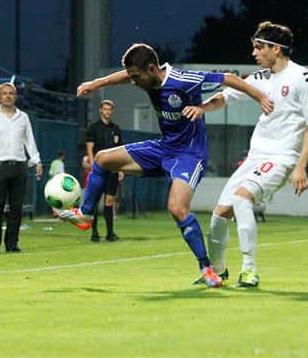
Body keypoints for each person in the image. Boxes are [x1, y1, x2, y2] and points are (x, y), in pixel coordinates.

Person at [56, 43, 273, 288]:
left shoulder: (183, 80)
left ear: (151, 68)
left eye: (137, 77)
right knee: (102, 159)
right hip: (165, 148)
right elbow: (126, 75)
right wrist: (95, 84)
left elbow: (228, 78)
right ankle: (85, 215)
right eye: (132, 77)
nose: (134, 82)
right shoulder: (146, 77)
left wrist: (261, 96)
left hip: (190, 154)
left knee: (177, 208)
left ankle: (207, 269)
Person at [185, 21, 308, 287]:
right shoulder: (259, 79)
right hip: (256, 158)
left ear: (276, 48)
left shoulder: (301, 77)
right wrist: (201, 108)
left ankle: (249, 270)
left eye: (259, 47)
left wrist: (301, 165)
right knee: (219, 213)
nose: (254, 53)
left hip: (282, 157)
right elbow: (225, 97)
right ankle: (218, 270)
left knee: (241, 199)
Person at [0, 82, 43, 254]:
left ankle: (12, 244)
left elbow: (30, 141)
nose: (8, 96)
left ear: (15, 96)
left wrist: (37, 162)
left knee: (16, 208)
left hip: (19, 168)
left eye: (11, 93)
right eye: (4, 93)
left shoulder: (24, 117)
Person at [85, 100, 123, 242]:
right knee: (95, 202)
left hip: (112, 170)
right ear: (100, 110)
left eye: (109, 109)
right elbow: (89, 148)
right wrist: (93, 165)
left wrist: (120, 168)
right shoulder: (94, 128)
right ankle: (94, 233)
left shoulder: (116, 128)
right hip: (99, 170)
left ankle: (110, 234)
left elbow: (120, 150)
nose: (107, 111)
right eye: (105, 109)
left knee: (109, 202)